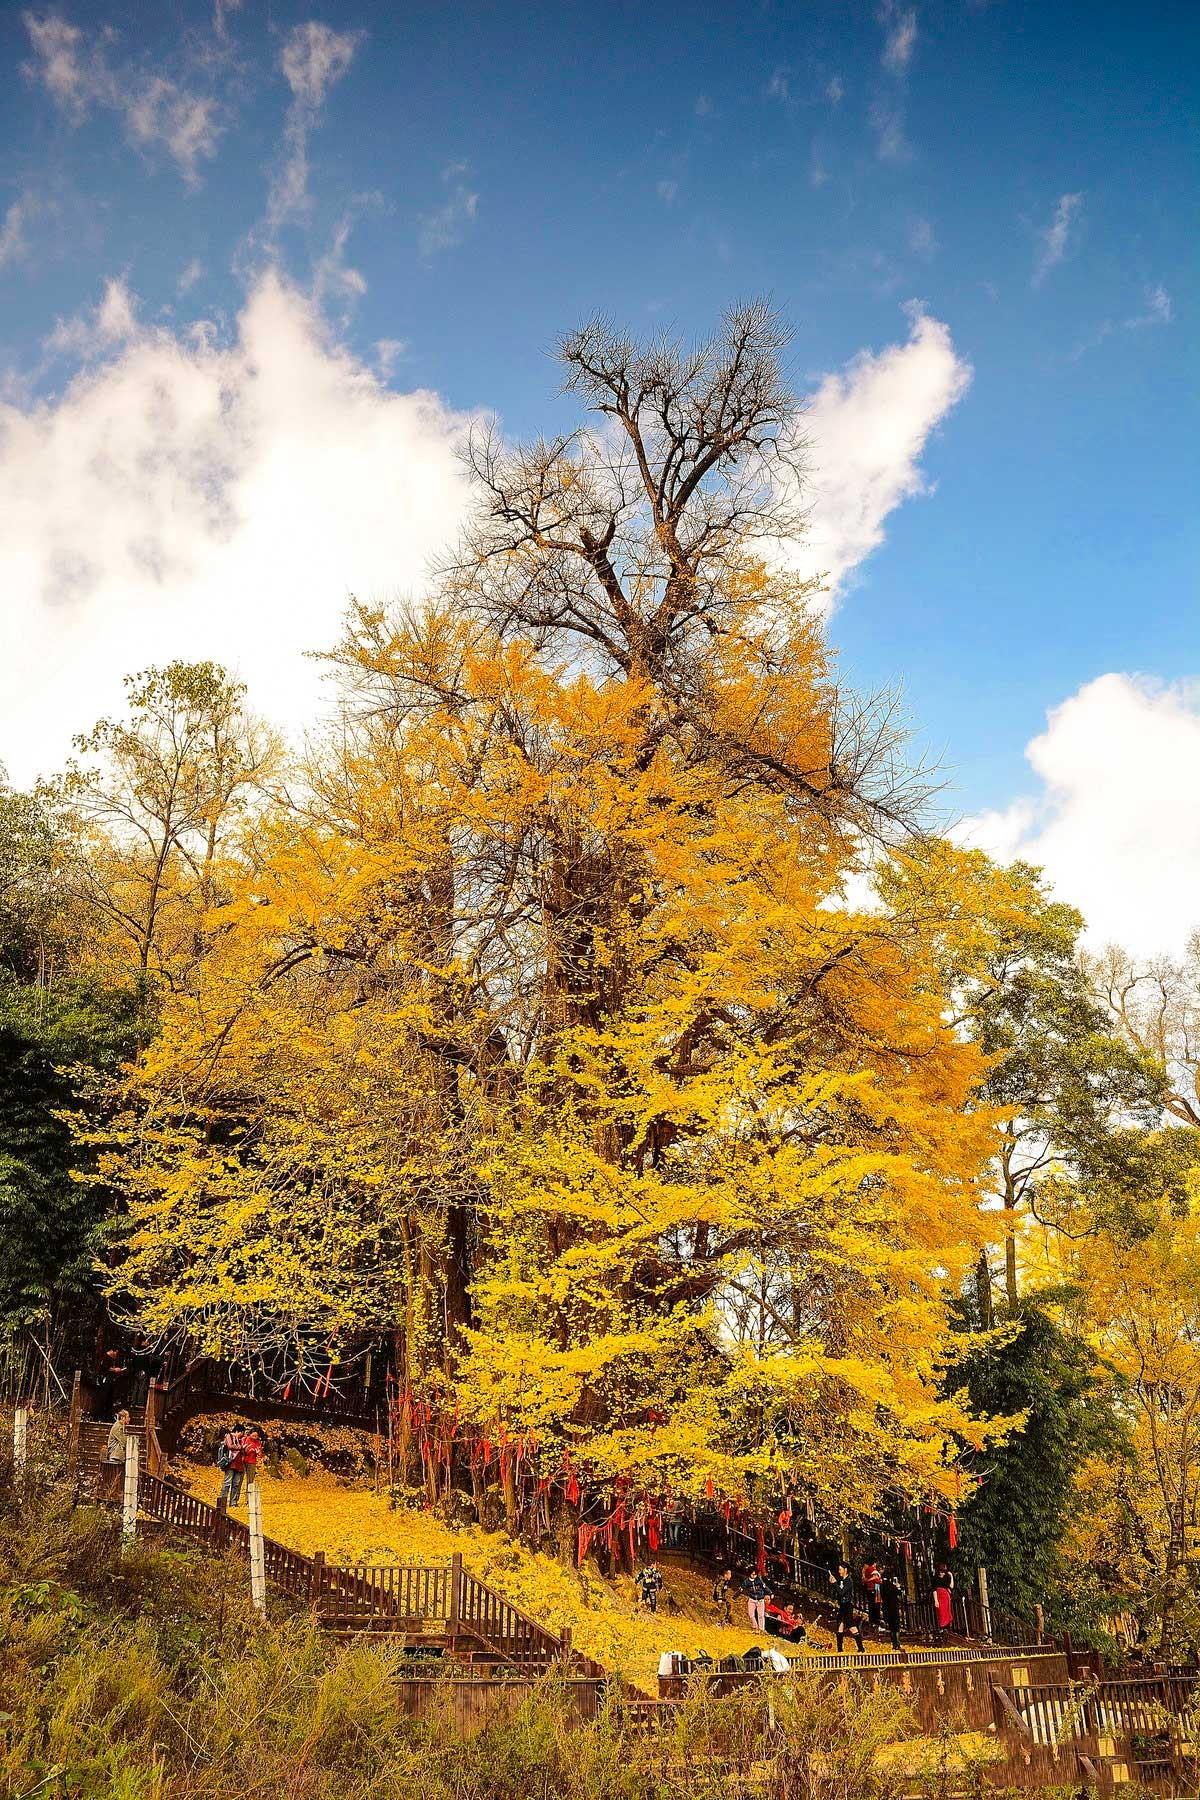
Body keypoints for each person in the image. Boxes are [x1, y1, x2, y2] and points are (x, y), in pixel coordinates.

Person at [830, 1563, 866, 1655]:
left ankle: (861, 1648)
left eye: (840, 1569)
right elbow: (839, 1592)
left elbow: (841, 1592)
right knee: (840, 1625)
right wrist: (834, 1583)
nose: (839, 1572)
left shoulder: (849, 1581)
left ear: (845, 1570)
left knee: (851, 1626)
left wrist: (834, 1584)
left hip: (847, 1606)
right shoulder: (842, 1580)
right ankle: (840, 1649)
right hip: (842, 1605)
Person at [217, 1423, 245, 1506]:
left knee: (236, 1484)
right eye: (241, 1433)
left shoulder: (240, 1440)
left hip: (239, 1464)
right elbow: (230, 1446)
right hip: (230, 1462)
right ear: (237, 1431)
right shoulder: (229, 1436)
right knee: (227, 1482)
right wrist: (241, 1447)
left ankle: (233, 1502)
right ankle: (222, 1502)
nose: (242, 1435)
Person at [881, 1569, 905, 1653]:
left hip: (886, 1608)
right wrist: (898, 1587)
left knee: (891, 1627)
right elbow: (899, 1593)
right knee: (896, 1627)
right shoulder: (892, 1586)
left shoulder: (881, 1586)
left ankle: (894, 1643)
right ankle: (897, 1643)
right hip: (893, 1607)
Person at [745, 1568, 769, 1633]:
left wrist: (770, 1592)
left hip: (760, 1599)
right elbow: (742, 1587)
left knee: (761, 1615)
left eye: (755, 1575)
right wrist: (735, 1596)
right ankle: (755, 1626)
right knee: (750, 1614)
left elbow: (765, 1587)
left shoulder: (759, 1581)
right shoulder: (747, 1581)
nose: (754, 1576)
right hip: (752, 1599)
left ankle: (762, 1629)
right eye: (753, 1574)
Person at [862, 1558, 883, 1629]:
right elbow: (876, 1578)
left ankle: (873, 1621)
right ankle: (875, 1621)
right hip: (873, 1589)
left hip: (871, 1589)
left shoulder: (866, 1570)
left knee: (872, 1605)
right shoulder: (871, 1569)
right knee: (875, 1605)